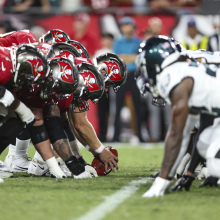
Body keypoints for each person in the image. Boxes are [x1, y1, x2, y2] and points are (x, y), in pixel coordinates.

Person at [135, 35, 220, 197]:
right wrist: (165, 179)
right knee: (204, 142)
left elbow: (175, 135)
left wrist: (160, 182)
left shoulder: (171, 76)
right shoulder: (184, 69)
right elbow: (184, 135)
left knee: (215, 164)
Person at [112, 16, 143, 142]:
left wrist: (126, 57)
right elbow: (117, 59)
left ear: (133, 27)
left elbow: (139, 58)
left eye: (128, 24)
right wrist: (131, 57)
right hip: (122, 76)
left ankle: (140, 135)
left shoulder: (138, 41)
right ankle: (115, 136)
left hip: (135, 76)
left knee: (138, 106)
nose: (126, 27)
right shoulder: (118, 42)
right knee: (117, 106)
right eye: (124, 25)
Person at [93, 33, 114, 141]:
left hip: (113, 86)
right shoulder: (98, 53)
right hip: (101, 86)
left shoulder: (115, 52)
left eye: (109, 39)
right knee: (102, 111)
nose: (107, 41)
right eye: (105, 39)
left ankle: (112, 134)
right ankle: (102, 135)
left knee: (113, 111)